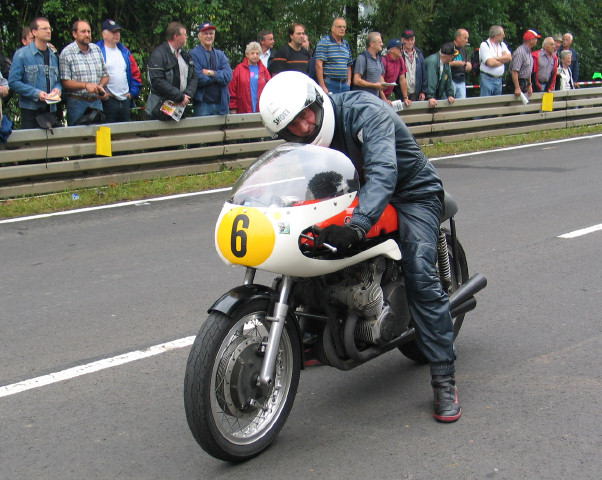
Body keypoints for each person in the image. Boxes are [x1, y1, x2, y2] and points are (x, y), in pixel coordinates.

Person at [259, 71, 463, 423]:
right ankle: (314, 334)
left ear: (317, 99)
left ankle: (444, 378)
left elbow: (384, 172)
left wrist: (356, 226)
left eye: (307, 113)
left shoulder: (366, 112)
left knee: (420, 275)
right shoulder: (305, 142)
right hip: (355, 195)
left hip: (411, 192)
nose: (305, 126)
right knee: (309, 247)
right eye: (293, 125)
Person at [8, 17, 61, 129]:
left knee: (52, 145)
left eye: (49, 28)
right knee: (33, 144)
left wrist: (57, 89)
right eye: (44, 28)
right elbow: (13, 82)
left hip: (50, 110)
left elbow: (58, 80)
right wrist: (36, 93)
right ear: (34, 32)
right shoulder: (22, 54)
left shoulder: (53, 55)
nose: (48, 31)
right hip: (30, 110)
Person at [59, 20, 109, 125]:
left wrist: (99, 87)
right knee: (78, 138)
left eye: (89, 32)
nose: (87, 34)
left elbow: (106, 75)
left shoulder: (96, 50)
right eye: (83, 32)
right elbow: (65, 82)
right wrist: (85, 85)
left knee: (99, 137)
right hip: (77, 103)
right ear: (74, 34)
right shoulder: (67, 53)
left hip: (96, 102)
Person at [145, 22, 197, 120]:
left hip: (180, 111)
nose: (187, 37)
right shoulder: (158, 54)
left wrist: (187, 96)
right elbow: (157, 81)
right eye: (185, 34)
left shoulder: (185, 55)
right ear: (176, 36)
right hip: (158, 110)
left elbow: (194, 76)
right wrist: (179, 97)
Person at [96, 19, 142, 123]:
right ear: (104, 34)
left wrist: (132, 94)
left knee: (124, 135)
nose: (116, 34)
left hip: (125, 100)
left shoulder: (125, 51)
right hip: (107, 101)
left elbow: (136, 74)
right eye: (113, 32)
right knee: (106, 135)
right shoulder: (96, 50)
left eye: (118, 32)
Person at [190, 22, 232, 116]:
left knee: (223, 131)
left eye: (211, 33)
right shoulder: (194, 54)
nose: (209, 36)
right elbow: (198, 78)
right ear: (199, 36)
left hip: (221, 104)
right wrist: (218, 76)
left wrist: (210, 73)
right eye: (206, 33)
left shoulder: (220, 55)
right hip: (203, 104)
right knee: (203, 131)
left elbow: (228, 76)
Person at [228, 42, 271, 114]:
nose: (255, 56)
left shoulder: (263, 70)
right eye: (252, 53)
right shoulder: (239, 69)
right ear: (247, 55)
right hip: (243, 109)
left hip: (261, 110)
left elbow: (269, 88)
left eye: (257, 53)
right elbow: (232, 90)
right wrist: (233, 107)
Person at [314, 17, 353, 94]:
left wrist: (349, 81)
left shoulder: (346, 44)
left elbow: (349, 65)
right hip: (330, 83)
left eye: (344, 27)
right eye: (339, 27)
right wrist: (322, 86)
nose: (342, 29)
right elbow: (319, 64)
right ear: (332, 28)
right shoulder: (324, 42)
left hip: (344, 85)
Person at [352, 32, 387, 102]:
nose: (382, 44)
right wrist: (374, 85)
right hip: (363, 100)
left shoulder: (379, 58)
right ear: (372, 44)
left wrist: (384, 99)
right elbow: (356, 80)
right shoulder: (362, 58)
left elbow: (380, 78)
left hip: (375, 99)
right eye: (380, 42)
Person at [478, 25, 512, 97]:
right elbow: (490, 63)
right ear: (497, 35)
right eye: (503, 35)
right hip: (487, 78)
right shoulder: (485, 45)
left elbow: (509, 57)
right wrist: (503, 59)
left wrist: (496, 58)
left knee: (496, 104)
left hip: (499, 80)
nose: (504, 36)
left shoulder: (502, 44)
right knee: (486, 103)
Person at [423, 42, 457, 108]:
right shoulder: (432, 62)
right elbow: (431, 80)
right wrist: (431, 96)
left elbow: (448, 80)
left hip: (437, 95)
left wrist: (450, 95)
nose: (453, 58)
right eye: (452, 56)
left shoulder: (446, 64)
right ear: (448, 56)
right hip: (426, 97)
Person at [510, 29, 540, 97]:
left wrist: (529, 85)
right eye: (536, 39)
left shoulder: (529, 52)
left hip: (525, 82)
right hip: (517, 82)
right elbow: (514, 71)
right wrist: (517, 88)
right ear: (531, 40)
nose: (537, 41)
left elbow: (528, 70)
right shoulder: (520, 52)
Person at [382, 38, 410, 106]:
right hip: (377, 95)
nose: (401, 50)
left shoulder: (400, 60)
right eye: (399, 48)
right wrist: (384, 99)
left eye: (401, 48)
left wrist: (405, 98)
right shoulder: (384, 60)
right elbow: (380, 82)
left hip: (387, 96)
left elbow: (402, 79)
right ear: (391, 50)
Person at [400, 29, 426, 101]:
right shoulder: (399, 55)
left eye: (412, 39)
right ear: (402, 41)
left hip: (416, 94)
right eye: (408, 40)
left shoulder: (419, 54)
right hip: (402, 94)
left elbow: (424, 74)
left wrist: (423, 91)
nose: (410, 42)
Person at [449, 29, 471, 99]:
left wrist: (469, 66)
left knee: (461, 105)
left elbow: (468, 63)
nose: (467, 41)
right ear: (458, 38)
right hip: (450, 80)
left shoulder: (463, 49)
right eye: (465, 38)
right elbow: (441, 63)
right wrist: (454, 64)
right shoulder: (448, 48)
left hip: (462, 80)